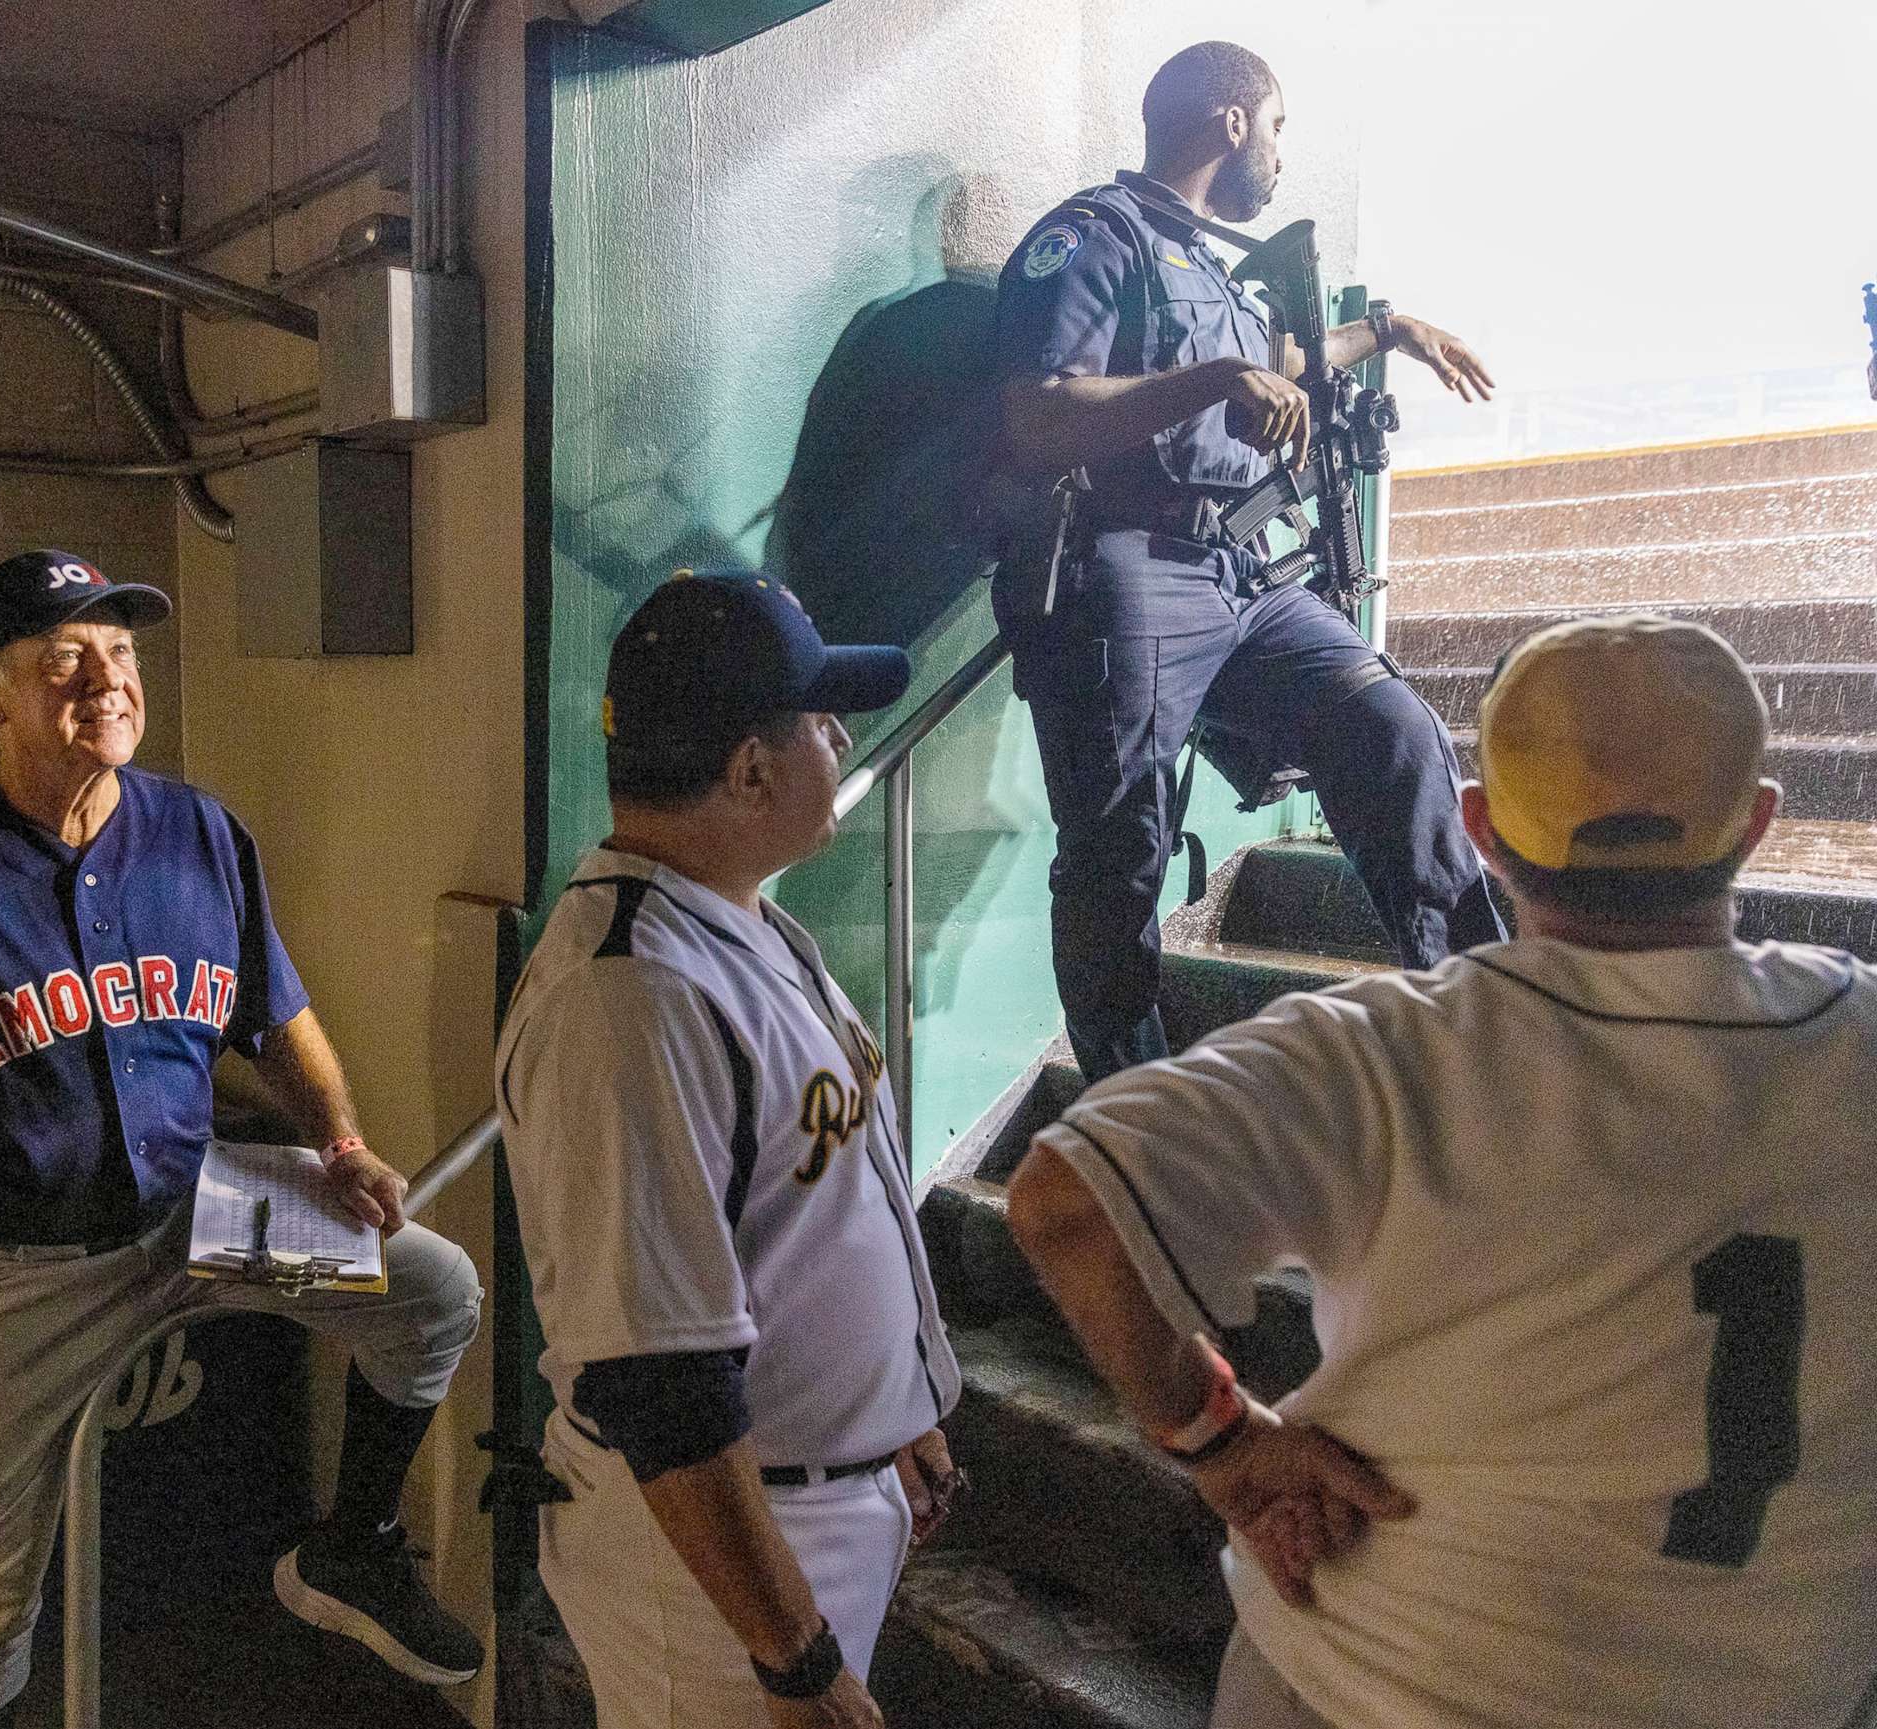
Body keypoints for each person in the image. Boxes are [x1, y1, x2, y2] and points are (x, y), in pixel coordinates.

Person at [1002, 614, 1877, 1728]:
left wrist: (1220, 1441)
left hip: (1370, 1684)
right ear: (1754, 824)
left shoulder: (1388, 1050)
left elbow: (1066, 1203)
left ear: (1482, 831)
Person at [0, 549, 485, 1726]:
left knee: (434, 1292)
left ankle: (355, 1546)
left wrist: (339, 1144)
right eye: (65, 658)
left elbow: (278, 1019)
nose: (108, 679)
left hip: (204, 1211)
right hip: (15, 1272)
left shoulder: (199, 831)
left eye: (123, 651)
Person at [496, 570, 965, 1729]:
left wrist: (894, 1410)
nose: (841, 737)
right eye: (817, 720)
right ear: (749, 770)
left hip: (806, 1505)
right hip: (712, 1573)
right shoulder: (631, 998)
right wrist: (794, 1661)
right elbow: (662, 1379)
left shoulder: (733, 914)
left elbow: (815, 1211)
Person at [993, 39, 1505, 1081]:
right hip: (1126, 572)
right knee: (1117, 856)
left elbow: (1276, 367)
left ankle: (1490, 1030)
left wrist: (1390, 330)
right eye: (1275, 129)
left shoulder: (1206, 261)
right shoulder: (1095, 237)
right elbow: (1037, 417)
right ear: (1230, 122)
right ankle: (1129, 1113)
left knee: (1391, 728)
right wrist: (1212, 379)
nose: (1279, 154)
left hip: (1239, 578)